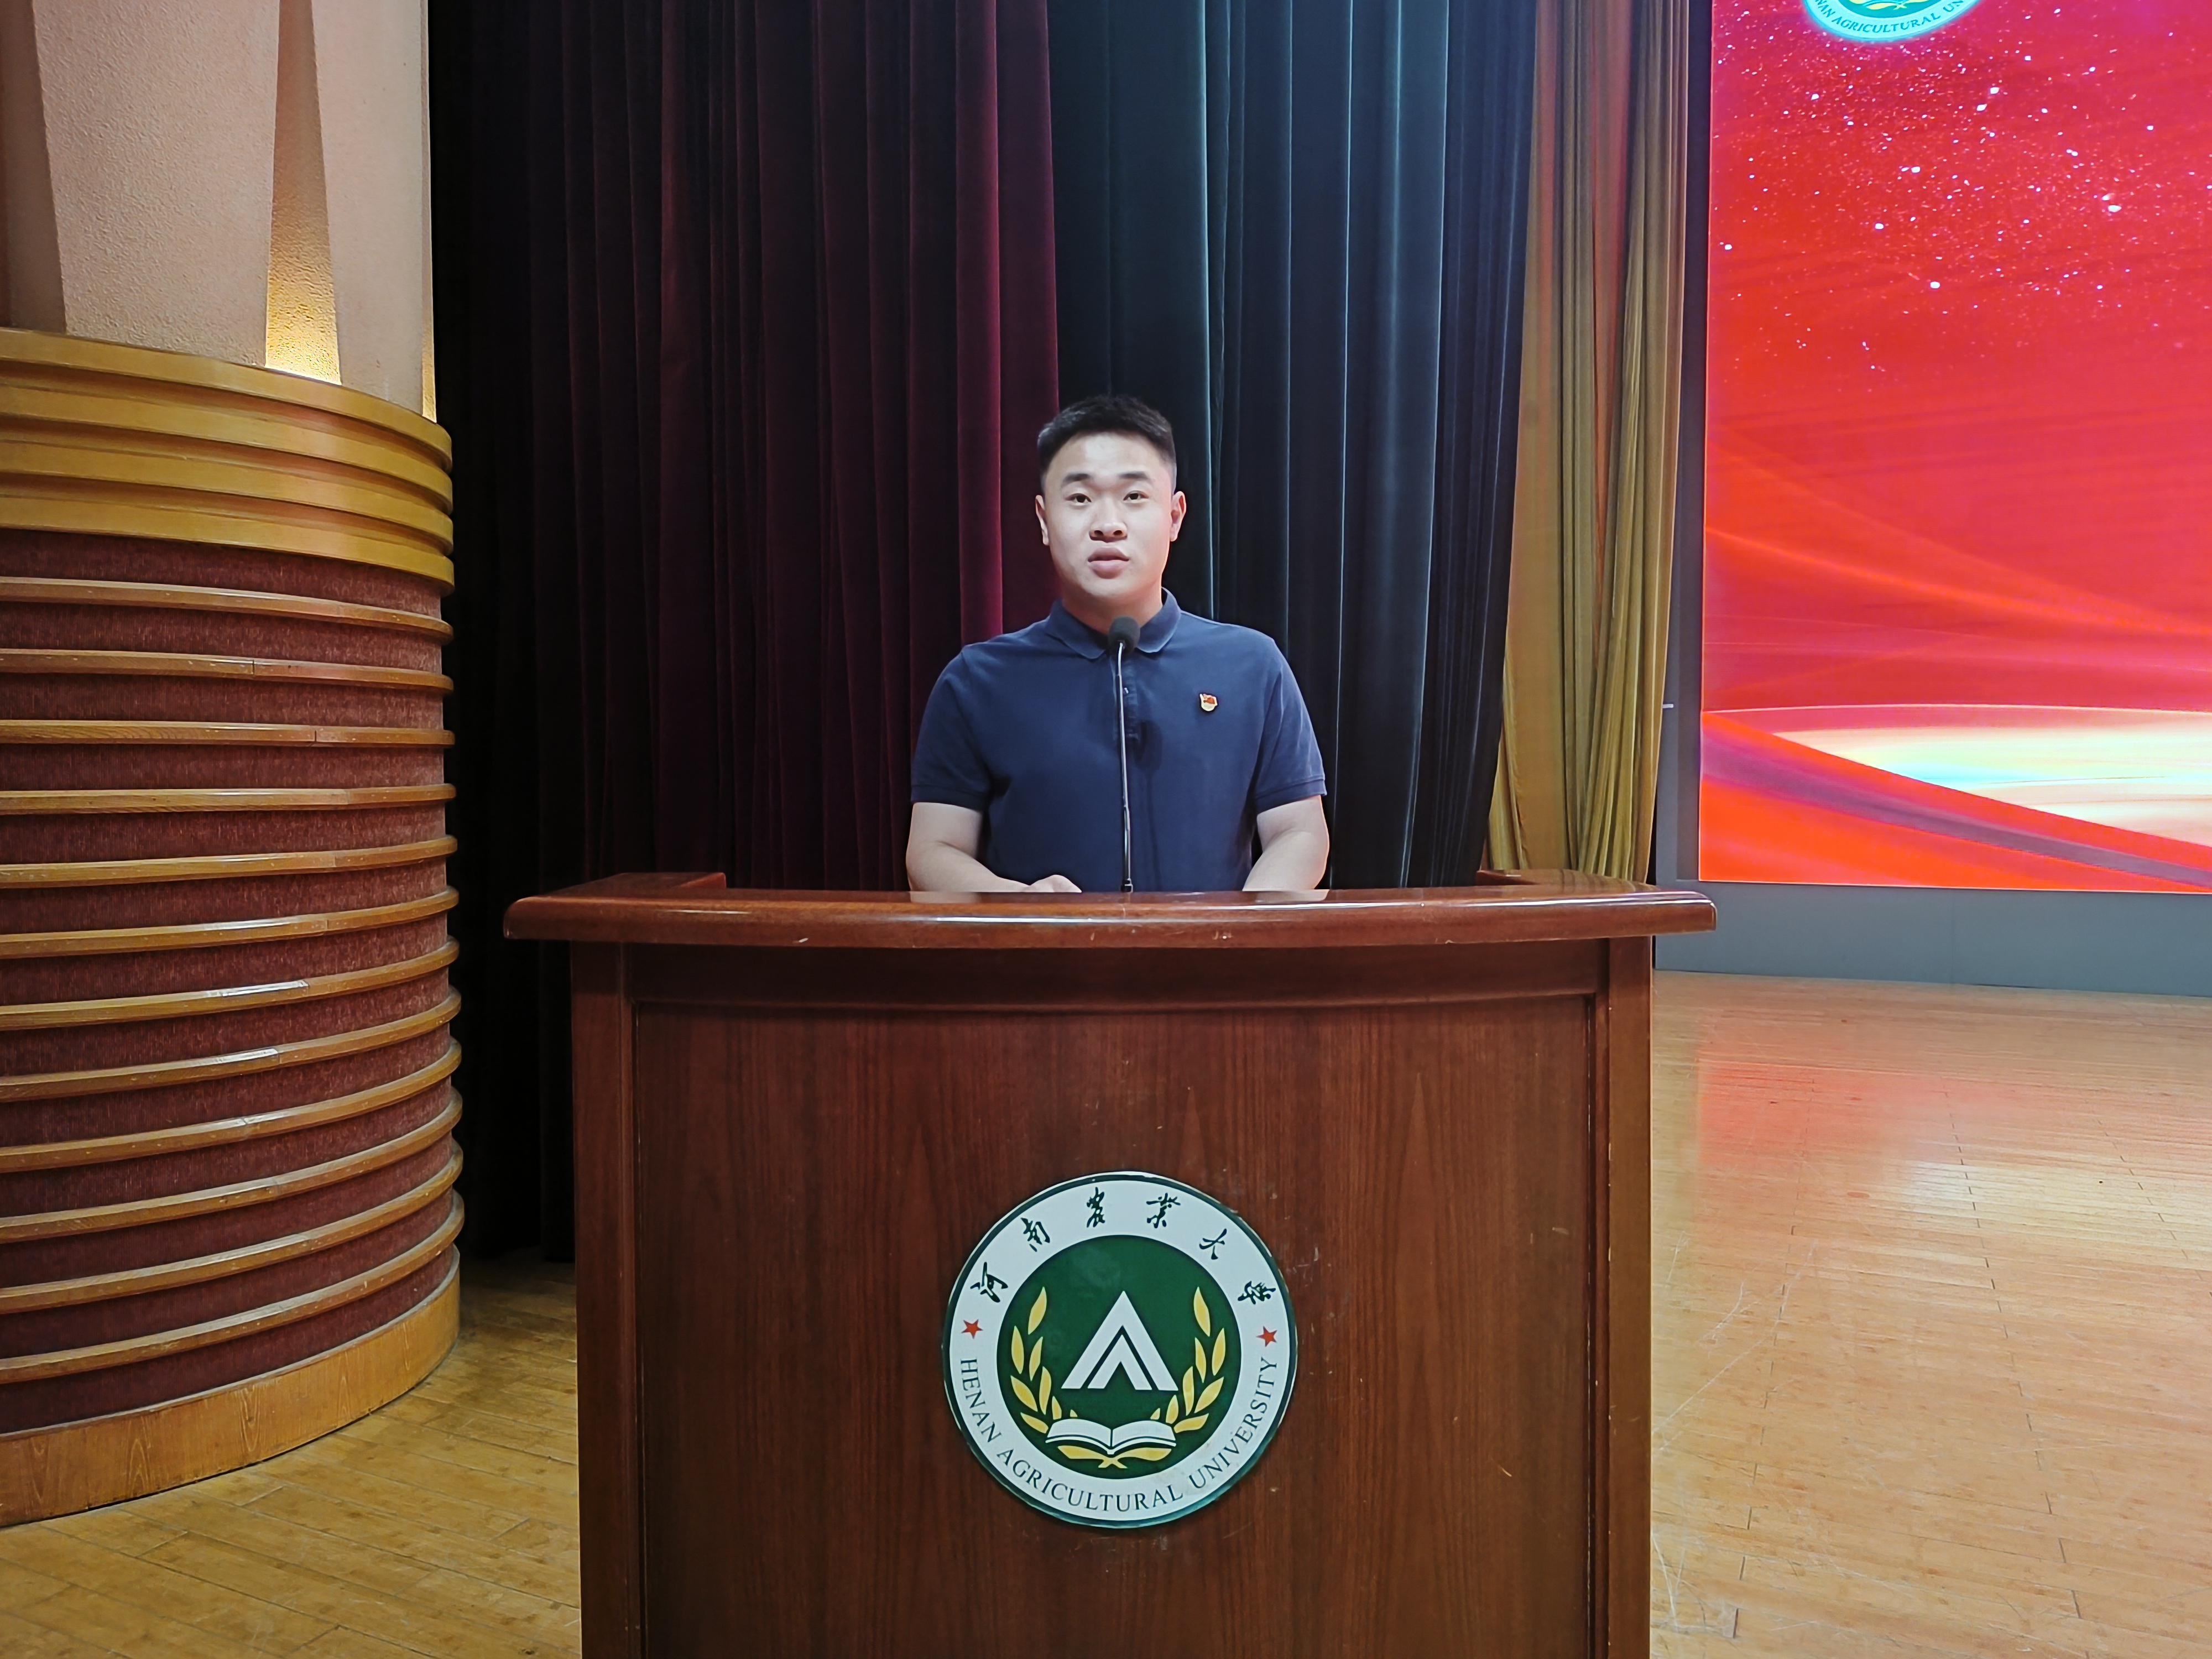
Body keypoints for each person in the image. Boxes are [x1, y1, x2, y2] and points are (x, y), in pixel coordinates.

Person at [906, 395, 1329, 893]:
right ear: (1043, 520)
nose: (1108, 524)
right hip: (1038, 945)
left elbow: (1299, 831)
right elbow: (933, 850)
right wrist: (1022, 907)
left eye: (1134, 496)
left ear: (1174, 516)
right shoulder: (976, 680)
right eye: (1080, 499)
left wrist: (1239, 923)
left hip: (1218, 946)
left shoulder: (1253, 665)